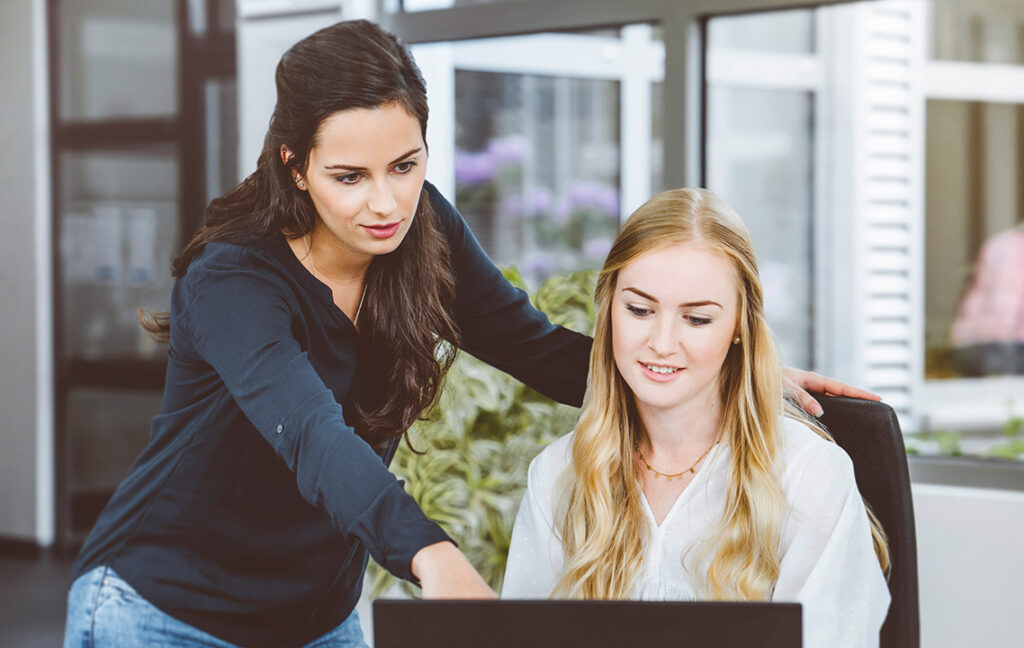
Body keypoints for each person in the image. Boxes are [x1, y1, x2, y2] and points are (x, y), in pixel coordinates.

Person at [63, 20, 876, 648]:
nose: (385, 203)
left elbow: (540, 351)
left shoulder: (422, 235)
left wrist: (730, 367)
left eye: (406, 165)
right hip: (164, 609)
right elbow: (315, 438)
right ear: (293, 165)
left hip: (313, 616)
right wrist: (434, 556)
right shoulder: (233, 281)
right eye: (350, 177)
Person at [502, 188, 891, 648]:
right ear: (608, 312)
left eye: (698, 320)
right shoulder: (558, 474)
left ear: (739, 329)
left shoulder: (808, 476)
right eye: (640, 310)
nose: (663, 342)